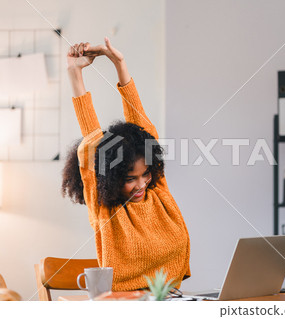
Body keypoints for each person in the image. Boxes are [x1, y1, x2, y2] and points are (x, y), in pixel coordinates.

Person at [62, 38, 191, 291]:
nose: (141, 184)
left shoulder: (158, 191)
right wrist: (74, 71)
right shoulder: (104, 207)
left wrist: (119, 63)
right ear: (109, 179)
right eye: (130, 179)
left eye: (145, 175)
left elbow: (142, 126)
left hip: (173, 300)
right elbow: (91, 141)